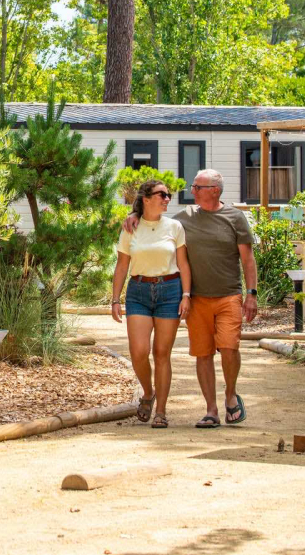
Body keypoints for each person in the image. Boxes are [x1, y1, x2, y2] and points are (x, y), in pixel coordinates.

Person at [122, 169, 258, 428]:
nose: (191, 191)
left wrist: (251, 294)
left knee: (230, 347)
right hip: (196, 298)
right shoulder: (184, 218)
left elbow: (247, 259)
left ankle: (230, 394)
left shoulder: (235, 217)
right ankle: (212, 410)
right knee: (203, 354)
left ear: (214, 190)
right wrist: (135, 214)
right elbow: (157, 223)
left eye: (197, 187)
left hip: (229, 294)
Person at [110, 180, 192, 429]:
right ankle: (148, 392)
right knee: (138, 351)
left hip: (170, 290)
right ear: (146, 199)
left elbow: (184, 263)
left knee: (161, 354)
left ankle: (162, 411)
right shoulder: (130, 227)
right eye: (162, 195)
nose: (167, 198)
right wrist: (115, 299)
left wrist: (186, 294)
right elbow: (122, 265)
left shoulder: (175, 226)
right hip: (138, 291)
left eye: (169, 195)